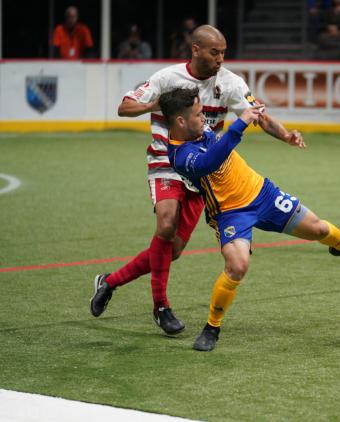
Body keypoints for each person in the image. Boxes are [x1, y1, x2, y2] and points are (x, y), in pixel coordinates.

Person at [90, 25, 305, 336]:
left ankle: (109, 282)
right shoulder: (167, 78)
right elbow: (124, 108)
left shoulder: (230, 83)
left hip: (201, 171)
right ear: (195, 50)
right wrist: (154, 104)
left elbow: (257, 114)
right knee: (165, 225)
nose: (220, 59)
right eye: (214, 52)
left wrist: (285, 135)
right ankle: (161, 307)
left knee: (172, 249)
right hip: (166, 161)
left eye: (223, 53)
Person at [161, 87, 340, 351]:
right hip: (230, 213)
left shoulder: (196, 126)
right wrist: (239, 125)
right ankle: (212, 327)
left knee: (320, 228)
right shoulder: (179, 155)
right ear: (181, 121)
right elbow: (209, 162)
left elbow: (255, 116)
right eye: (198, 114)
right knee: (237, 267)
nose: (204, 118)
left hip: (263, 193)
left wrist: (282, 133)